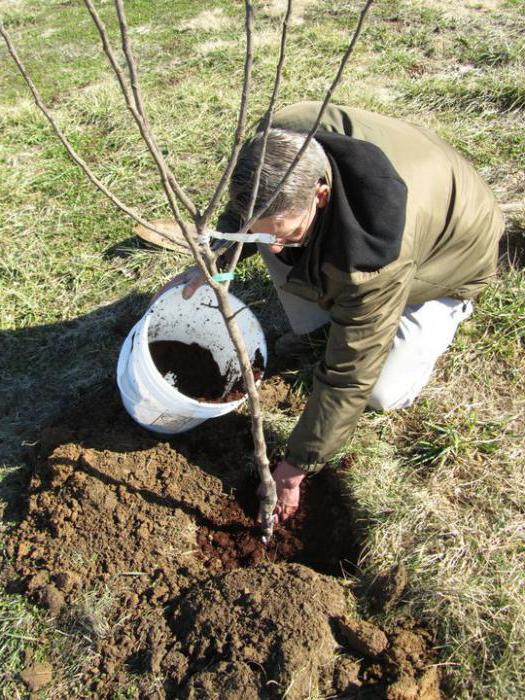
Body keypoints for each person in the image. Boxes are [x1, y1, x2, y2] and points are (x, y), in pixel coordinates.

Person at [168, 101, 505, 525]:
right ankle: (320, 311)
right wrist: (216, 258)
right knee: (274, 241)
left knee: (382, 390)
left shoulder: (376, 253)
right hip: (412, 177)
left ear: (321, 194)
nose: (270, 248)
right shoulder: (278, 140)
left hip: (450, 258)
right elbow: (248, 212)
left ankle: (441, 312)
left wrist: (296, 467)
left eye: (286, 231)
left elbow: (350, 374)